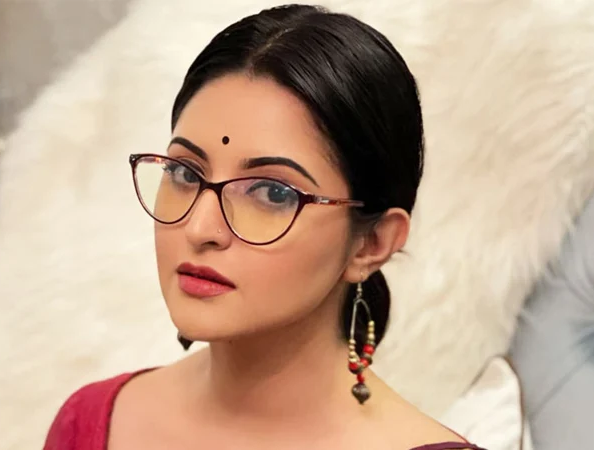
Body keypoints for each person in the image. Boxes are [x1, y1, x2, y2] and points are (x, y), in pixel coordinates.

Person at [44, 5, 484, 450]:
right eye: (184, 173)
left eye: (272, 193)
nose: (200, 227)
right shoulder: (93, 422)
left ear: (371, 243)